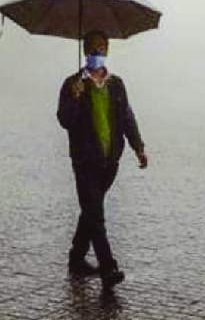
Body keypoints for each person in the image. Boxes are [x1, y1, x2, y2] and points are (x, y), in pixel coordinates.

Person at [57, 29, 148, 290]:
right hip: (85, 161)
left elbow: (127, 118)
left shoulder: (116, 84)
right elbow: (65, 120)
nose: (98, 52)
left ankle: (77, 257)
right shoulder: (72, 84)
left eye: (102, 47)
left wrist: (138, 147)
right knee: (96, 215)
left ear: (108, 50)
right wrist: (75, 98)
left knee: (91, 210)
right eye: (93, 48)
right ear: (85, 51)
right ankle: (108, 267)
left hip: (110, 162)